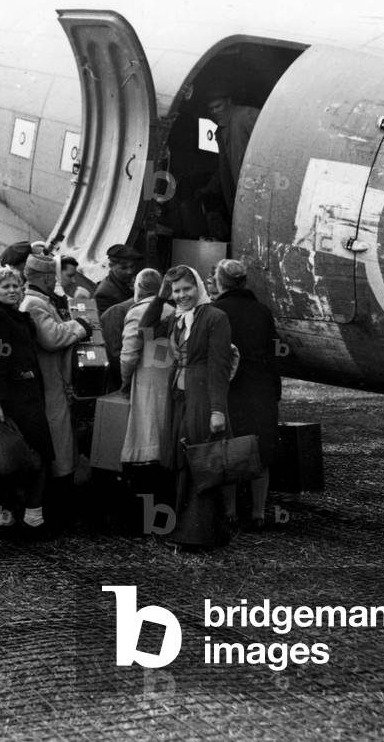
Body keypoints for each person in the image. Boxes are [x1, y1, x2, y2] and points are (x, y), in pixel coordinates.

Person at [140, 264, 234, 548]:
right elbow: (145, 330)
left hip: (203, 398)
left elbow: (219, 366)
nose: (181, 295)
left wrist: (217, 410)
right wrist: (159, 297)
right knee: (182, 459)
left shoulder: (215, 317)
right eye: (176, 290)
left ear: (199, 288)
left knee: (201, 460)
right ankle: (189, 529)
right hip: (180, 396)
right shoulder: (177, 319)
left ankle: (199, 534)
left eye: (186, 289)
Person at [19, 253, 92, 524]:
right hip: (49, 387)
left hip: (53, 385)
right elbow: (51, 338)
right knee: (58, 448)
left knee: (61, 445)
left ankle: (53, 511)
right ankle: (54, 513)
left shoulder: (37, 302)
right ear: (47, 278)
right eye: (52, 278)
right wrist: (79, 326)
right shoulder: (35, 305)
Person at [0, 267, 54, 537]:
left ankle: (21, 517)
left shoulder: (18, 317)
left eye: (15, 285)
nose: (12, 290)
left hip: (27, 396)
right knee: (15, 457)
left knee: (26, 457)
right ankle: (18, 518)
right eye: (5, 287)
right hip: (14, 400)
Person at [212, 259, 281, 531]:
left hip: (231, 388)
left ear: (220, 282)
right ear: (244, 282)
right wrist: (275, 389)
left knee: (230, 449)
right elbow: (275, 353)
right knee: (260, 451)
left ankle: (229, 512)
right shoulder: (263, 312)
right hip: (261, 387)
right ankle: (258, 513)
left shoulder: (215, 311)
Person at [119, 269, 175, 466]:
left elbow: (129, 355)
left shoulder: (136, 312)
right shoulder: (171, 310)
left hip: (144, 380)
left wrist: (125, 382)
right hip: (164, 376)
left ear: (139, 288)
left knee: (145, 436)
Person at [197, 89, 260, 238]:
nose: (215, 111)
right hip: (239, 197)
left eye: (218, 106)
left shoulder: (247, 116)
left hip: (255, 193)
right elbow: (224, 168)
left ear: (229, 102)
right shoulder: (221, 130)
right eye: (211, 109)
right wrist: (208, 189)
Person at [94, 244, 142, 316]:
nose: (130, 271)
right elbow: (110, 322)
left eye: (132, 266)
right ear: (111, 265)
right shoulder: (104, 294)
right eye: (124, 268)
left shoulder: (129, 281)